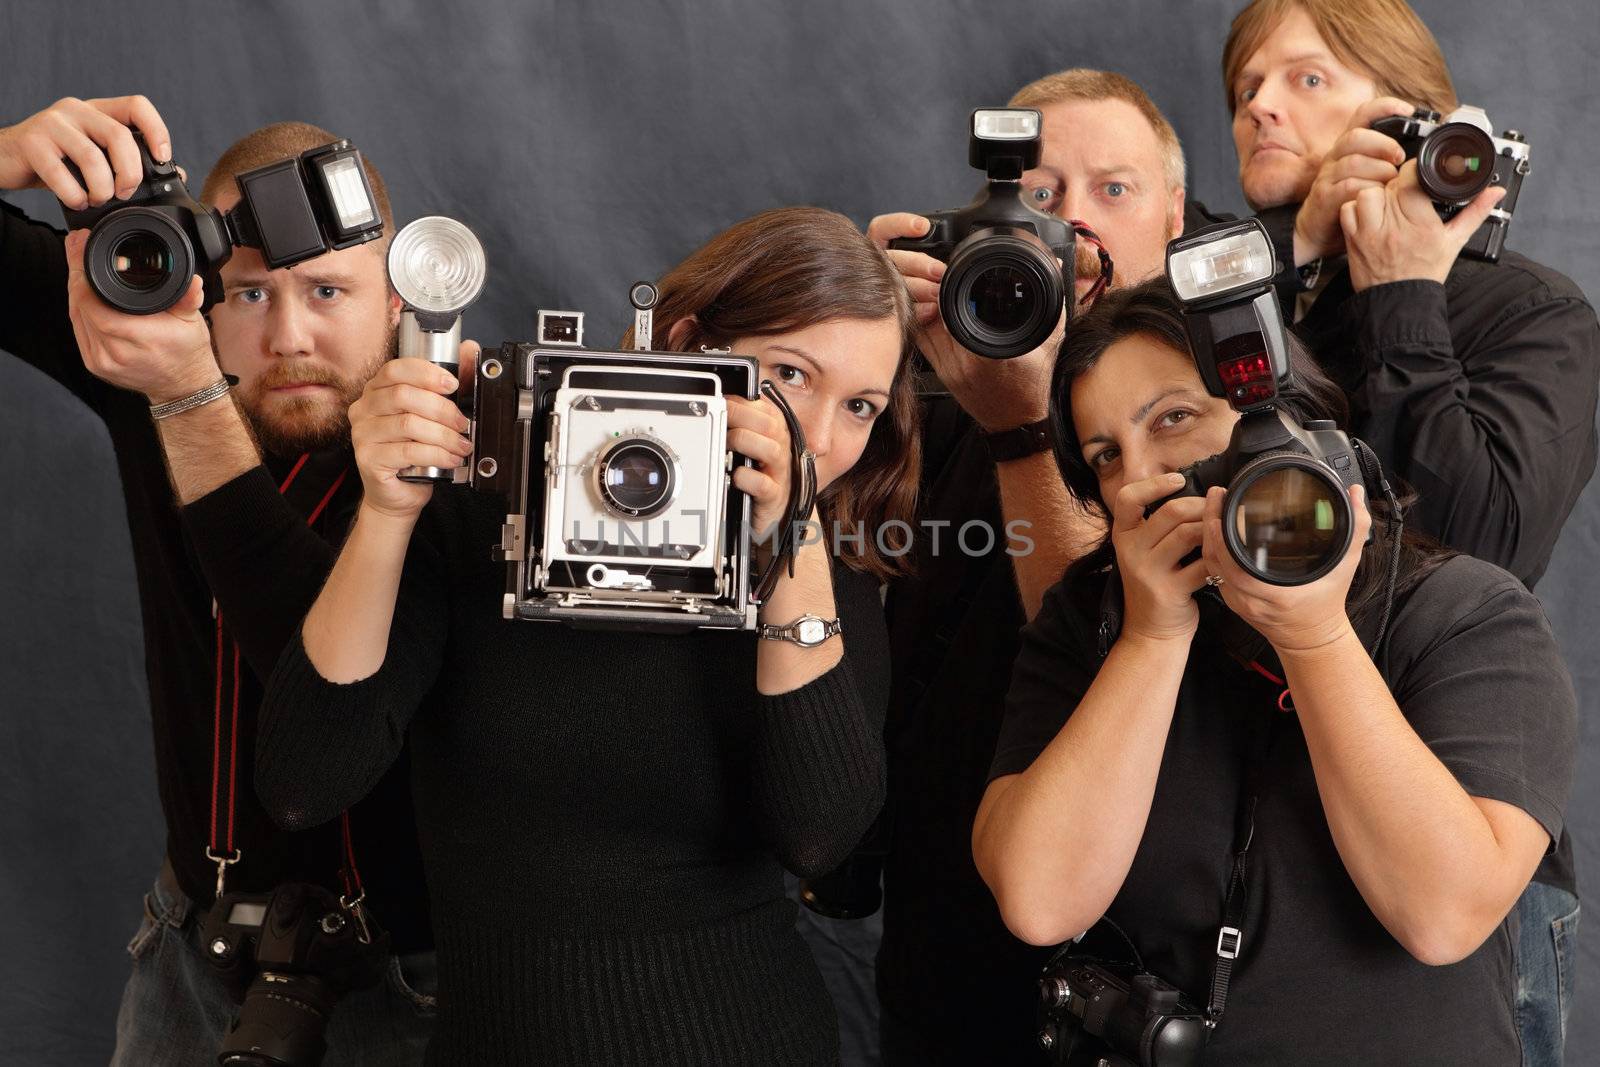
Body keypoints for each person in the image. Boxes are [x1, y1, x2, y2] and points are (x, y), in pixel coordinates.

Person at [255, 205, 918, 1064]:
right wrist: (388, 508)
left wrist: (792, 544)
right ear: (685, 347)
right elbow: (305, 780)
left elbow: (821, 840)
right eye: (790, 376)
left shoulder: (822, 585)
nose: (820, 438)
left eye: (860, 405)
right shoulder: (475, 519)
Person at [974, 279, 1577, 1066]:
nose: (1144, 476)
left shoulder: (1467, 612)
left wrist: (1315, 633)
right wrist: (1152, 638)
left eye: (1174, 419)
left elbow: (1442, 912)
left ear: (1286, 421)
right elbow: (1038, 898)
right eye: (1106, 459)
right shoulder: (1091, 623)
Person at [0, 96, 437, 1063]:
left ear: (400, 300)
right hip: (191, 953)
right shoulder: (148, 360)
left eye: (328, 292)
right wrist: (6, 152)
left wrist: (188, 398)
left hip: (402, 979)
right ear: (185, 289)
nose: (288, 337)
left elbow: (316, 703)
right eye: (248, 293)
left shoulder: (455, 449)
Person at [1222, 2, 1600, 1057]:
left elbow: (1478, 542)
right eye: (1245, 87)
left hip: (1451, 841)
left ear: (1406, 115)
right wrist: (1284, 282)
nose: (1258, 103)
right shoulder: (1215, 303)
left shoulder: (1533, 313)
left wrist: (1398, 294)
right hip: (1230, 838)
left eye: (1303, 79)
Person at [864, 69, 1205, 1064]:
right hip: (940, 919)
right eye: (1042, 196)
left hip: (1136, 949)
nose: (1075, 225)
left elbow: (1116, 635)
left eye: (1114, 189)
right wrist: (852, 346)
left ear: (1175, 216)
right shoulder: (923, 378)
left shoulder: (1215, 414)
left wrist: (1021, 426)